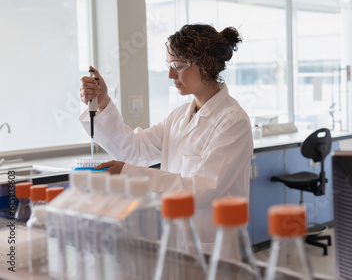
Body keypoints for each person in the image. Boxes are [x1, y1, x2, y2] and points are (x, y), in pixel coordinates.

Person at [79, 24, 253, 251]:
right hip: (178, 240)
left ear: (206, 65)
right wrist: (102, 103)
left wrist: (128, 172)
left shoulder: (233, 121)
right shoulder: (179, 116)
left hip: (216, 247)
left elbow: (200, 191)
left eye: (178, 66)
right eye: (169, 65)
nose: (171, 74)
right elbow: (134, 151)